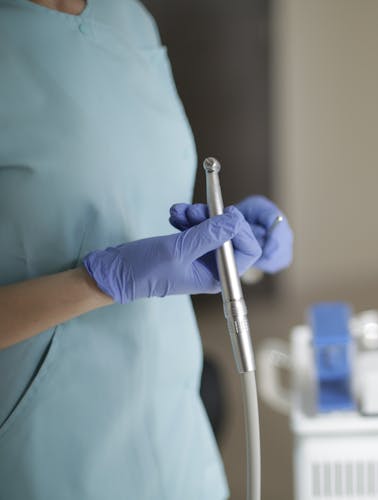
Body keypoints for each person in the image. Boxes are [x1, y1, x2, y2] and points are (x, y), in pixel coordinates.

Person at [0, 0, 293, 498]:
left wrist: (230, 250)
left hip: (176, 432)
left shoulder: (128, 18)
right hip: (48, 448)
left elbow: (129, 199)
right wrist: (98, 282)